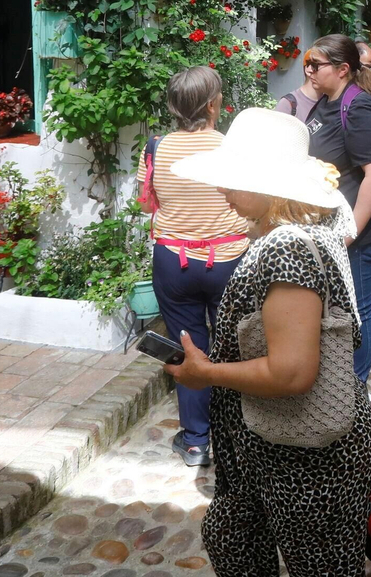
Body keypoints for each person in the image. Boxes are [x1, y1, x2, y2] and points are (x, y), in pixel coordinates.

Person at [166, 108, 371, 577]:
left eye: (234, 178)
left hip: (305, 457)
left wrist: (206, 375)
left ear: (270, 185)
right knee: (232, 535)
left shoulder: (285, 248)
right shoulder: (298, 231)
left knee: (319, 567)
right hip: (265, 444)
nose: (221, 187)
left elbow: (292, 372)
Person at [146, 67, 251, 468]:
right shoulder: (232, 148)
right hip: (228, 259)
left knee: (186, 346)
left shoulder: (156, 147)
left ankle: (195, 440)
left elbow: (149, 200)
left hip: (175, 260)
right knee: (233, 347)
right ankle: (235, 436)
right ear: (212, 105)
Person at [301, 34, 371, 382]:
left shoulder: (359, 106)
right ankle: (338, 375)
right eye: (307, 63)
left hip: (354, 230)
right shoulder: (327, 100)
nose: (309, 70)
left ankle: (356, 384)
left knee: (358, 307)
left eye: (316, 64)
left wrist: (349, 232)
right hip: (330, 225)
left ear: (343, 70)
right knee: (339, 305)